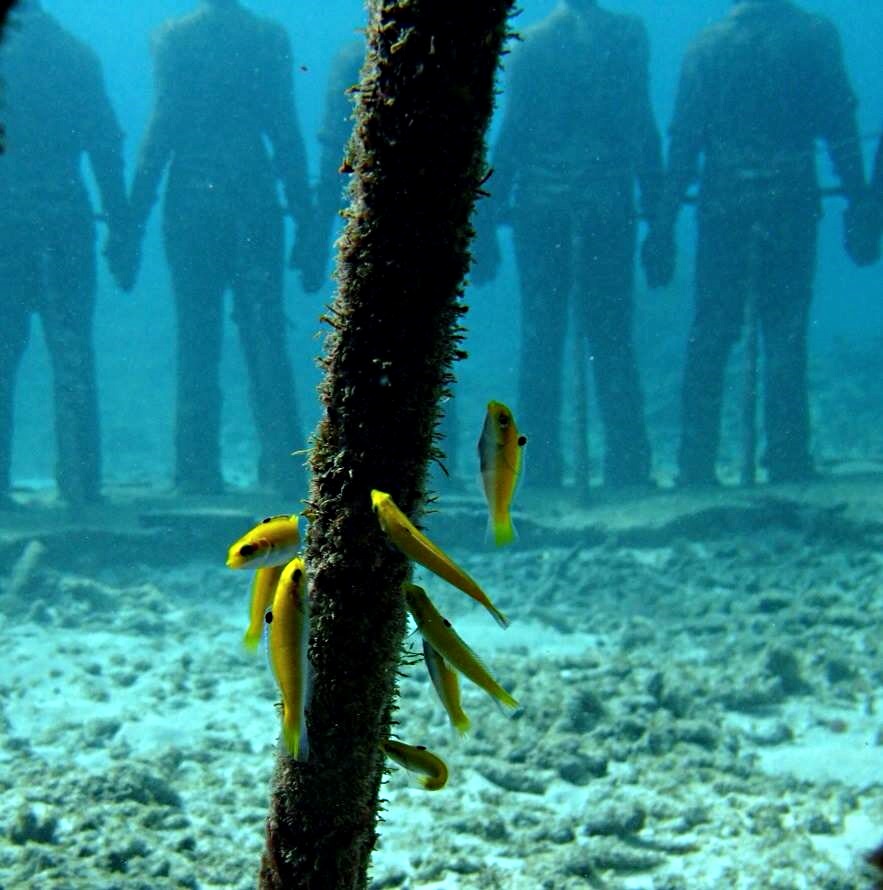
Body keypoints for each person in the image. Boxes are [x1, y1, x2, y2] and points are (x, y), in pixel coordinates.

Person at [642, 0, 878, 486]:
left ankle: (695, 462)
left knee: (710, 332)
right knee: (786, 332)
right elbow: (840, 128)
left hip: (724, 205)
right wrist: (860, 204)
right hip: (790, 200)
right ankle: (788, 459)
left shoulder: (707, 45)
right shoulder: (814, 36)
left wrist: (663, 226)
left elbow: (685, 142)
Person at [123, 0, 320, 497]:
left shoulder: (172, 37)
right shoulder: (268, 37)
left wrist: (130, 224)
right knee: (265, 337)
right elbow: (285, 133)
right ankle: (284, 468)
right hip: (254, 200)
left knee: (197, 338)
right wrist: (307, 222)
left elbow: (160, 131)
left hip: (190, 204)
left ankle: (196, 471)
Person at [474, 0, 661, 491]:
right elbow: (643, 128)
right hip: (606, 207)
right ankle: (628, 466)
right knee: (610, 337)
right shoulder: (627, 35)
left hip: (543, 209)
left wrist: (490, 222)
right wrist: (658, 218)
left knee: (542, 340)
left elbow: (510, 138)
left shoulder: (532, 43)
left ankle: (542, 471)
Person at [0, 0, 131, 508]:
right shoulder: (75, 55)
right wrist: (121, 229)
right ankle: (80, 487)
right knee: (72, 357)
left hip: (4, 223)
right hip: (65, 221)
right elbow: (105, 148)